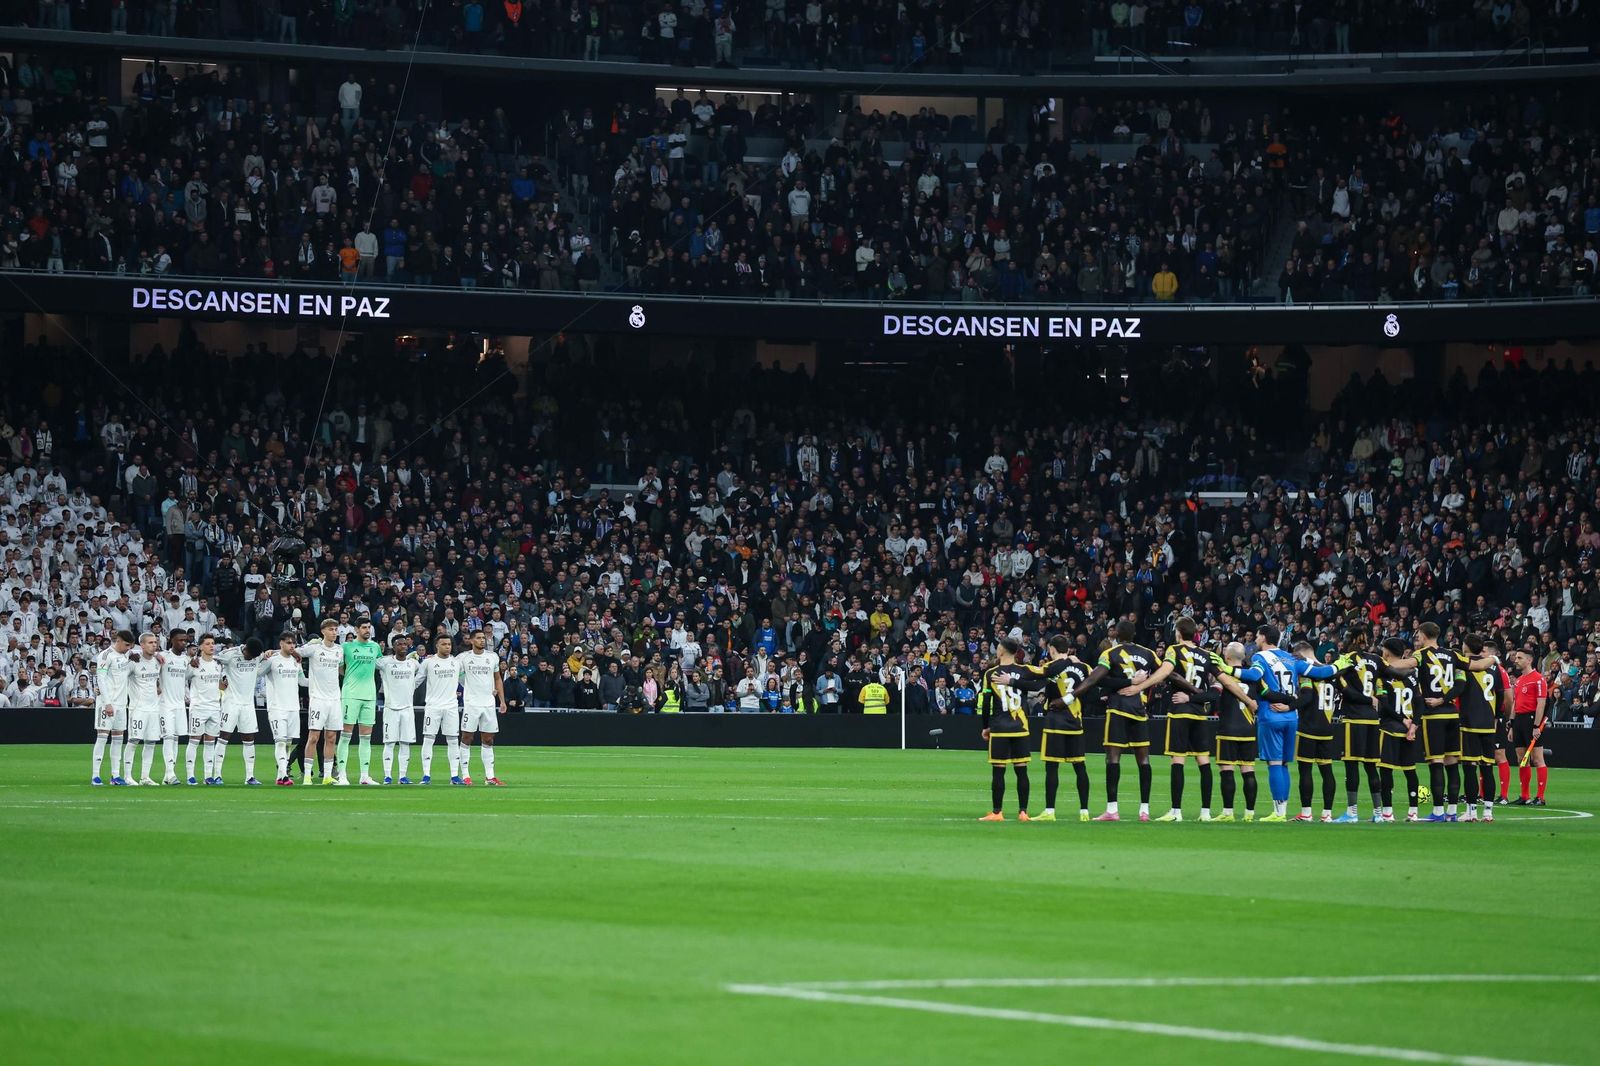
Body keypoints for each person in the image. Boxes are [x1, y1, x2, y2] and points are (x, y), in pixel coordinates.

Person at [1221, 624, 1339, 821]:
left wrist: (1225, 668)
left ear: (1265, 637)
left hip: (1271, 715)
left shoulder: (1260, 658)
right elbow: (1321, 673)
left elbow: (1253, 675)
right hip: (1291, 717)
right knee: (1283, 764)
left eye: (1258, 636)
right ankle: (1282, 810)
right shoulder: (1291, 657)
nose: (1256, 639)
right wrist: (1339, 665)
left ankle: (1278, 812)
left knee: (1274, 764)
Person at [1074, 620, 1158, 821]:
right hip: (1138, 708)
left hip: (1118, 708)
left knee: (1113, 758)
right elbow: (1164, 673)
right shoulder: (1148, 653)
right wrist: (1141, 684)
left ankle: (1112, 810)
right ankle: (1144, 810)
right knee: (1144, 759)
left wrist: (1125, 682)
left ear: (1117, 634)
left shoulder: (1109, 653)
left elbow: (1098, 679)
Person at [1155, 617, 1215, 822]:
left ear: (1179, 632)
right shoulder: (1206, 655)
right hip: (1199, 713)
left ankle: (1176, 811)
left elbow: (1169, 672)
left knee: (1178, 760)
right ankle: (1206, 812)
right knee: (1203, 760)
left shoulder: (1174, 650)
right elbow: (1213, 685)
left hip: (1180, 710)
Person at [978, 637, 1034, 821]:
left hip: (1000, 727)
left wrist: (985, 727)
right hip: (1021, 727)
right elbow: (1040, 683)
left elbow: (986, 703)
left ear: (1001, 651)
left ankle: (997, 812)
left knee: (998, 770)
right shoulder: (1024, 671)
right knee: (1021, 770)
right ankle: (1023, 812)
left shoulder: (990, 673)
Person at [1333, 624, 1385, 822]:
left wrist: (1367, 699)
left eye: (1347, 637)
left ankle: (1352, 813)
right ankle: (1378, 814)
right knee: (1371, 767)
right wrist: (1376, 699)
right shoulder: (1376, 659)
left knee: (1352, 766)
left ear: (1353, 639)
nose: (1343, 640)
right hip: (1373, 719)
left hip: (1354, 718)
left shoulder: (1346, 660)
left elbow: (1345, 689)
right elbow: (1384, 685)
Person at [1036, 634, 1090, 822]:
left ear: (1051, 649)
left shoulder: (1050, 667)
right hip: (1075, 721)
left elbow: (1036, 678)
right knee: (1080, 767)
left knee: (1052, 767)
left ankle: (1049, 811)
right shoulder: (1083, 667)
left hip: (1055, 721)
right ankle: (1084, 811)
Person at [1456, 633, 1503, 822]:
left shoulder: (1464, 665)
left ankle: (1471, 812)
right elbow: (1500, 695)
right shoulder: (1493, 668)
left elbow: (1458, 689)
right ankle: (1489, 812)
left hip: (1469, 723)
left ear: (1466, 647)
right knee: (1487, 768)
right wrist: (1497, 716)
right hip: (1488, 723)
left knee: (1469, 767)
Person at [1375, 637, 1423, 823]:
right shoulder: (1412, 674)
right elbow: (1419, 703)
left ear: (1386, 652)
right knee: (1410, 771)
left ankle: (1388, 812)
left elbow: (1384, 705)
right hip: (1409, 730)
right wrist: (1414, 725)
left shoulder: (1383, 674)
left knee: (1386, 771)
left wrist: (1402, 720)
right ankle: (1413, 812)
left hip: (1390, 728)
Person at [1291, 641, 1340, 822]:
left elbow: (1307, 697)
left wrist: (1289, 705)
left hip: (1309, 727)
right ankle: (1327, 814)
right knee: (1326, 770)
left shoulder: (1307, 673)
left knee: (1305, 771)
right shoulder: (1330, 671)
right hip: (1327, 727)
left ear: (1302, 654)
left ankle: (1306, 813)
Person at [1212, 642, 1261, 821]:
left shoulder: (1223, 675)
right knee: (1248, 770)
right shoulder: (1253, 676)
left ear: (1228, 657)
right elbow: (1265, 695)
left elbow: (1214, 695)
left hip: (1229, 728)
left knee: (1227, 770)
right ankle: (1249, 814)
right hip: (1248, 729)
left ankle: (1228, 813)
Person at [336, 616, 383, 786]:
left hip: (370, 696)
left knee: (366, 737)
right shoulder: (346, 647)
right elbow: (340, 668)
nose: (367, 630)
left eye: (369, 627)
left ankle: (364, 776)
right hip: (351, 694)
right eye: (364, 627)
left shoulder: (375, 647)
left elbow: (380, 665)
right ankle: (342, 775)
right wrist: (351, 678)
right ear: (356, 630)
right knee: (346, 735)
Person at [457, 628, 507, 786]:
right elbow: (454, 673)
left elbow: (497, 679)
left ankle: (490, 777)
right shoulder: (464, 658)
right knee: (467, 737)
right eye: (478, 638)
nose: (482, 640)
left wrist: (502, 700)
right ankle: (465, 775)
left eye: (483, 638)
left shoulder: (492, 657)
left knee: (488, 739)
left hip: (488, 704)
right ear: (471, 641)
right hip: (471, 704)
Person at [298, 619, 344, 785]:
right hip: (318, 699)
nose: (334, 632)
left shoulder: (339, 650)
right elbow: (295, 652)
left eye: (336, 630)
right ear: (323, 631)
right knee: (314, 737)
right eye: (331, 629)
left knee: (331, 737)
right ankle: (308, 776)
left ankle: (327, 776)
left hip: (334, 700)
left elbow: (341, 669)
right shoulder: (314, 648)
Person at [214, 637, 265, 785]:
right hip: (231, 703)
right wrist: (221, 678)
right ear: (245, 649)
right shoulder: (230, 654)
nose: (251, 659)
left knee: (249, 739)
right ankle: (217, 775)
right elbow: (213, 660)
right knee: (224, 737)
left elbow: (270, 653)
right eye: (250, 656)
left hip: (248, 705)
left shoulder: (257, 655)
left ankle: (250, 776)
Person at [259, 632, 305, 785]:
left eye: (294, 643)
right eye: (288, 642)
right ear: (281, 644)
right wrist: (262, 656)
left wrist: (322, 681)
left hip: (293, 707)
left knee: (288, 743)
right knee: (280, 741)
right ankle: (285, 775)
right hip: (277, 707)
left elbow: (303, 681)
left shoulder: (295, 661)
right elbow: (258, 672)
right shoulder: (272, 660)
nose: (292, 645)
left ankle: (280, 776)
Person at [91, 630, 134, 785]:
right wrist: (107, 702)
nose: (129, 648)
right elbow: (100, 678)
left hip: (122, 704)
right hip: (107, 704)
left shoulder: (126, 655)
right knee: (102, 738)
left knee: (118, 740)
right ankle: (95, 775)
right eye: (127, 645)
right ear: (119, 641)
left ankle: (115, 776)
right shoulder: (105, 655)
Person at [378, 634, 422, 784]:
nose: (403, 646)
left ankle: (402, 776)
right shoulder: (385, 663)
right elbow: (370, 661)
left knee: (405, 742)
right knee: (389, 743)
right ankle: (387, 776)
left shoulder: (413, 664)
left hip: (408, 709)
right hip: (391, 708)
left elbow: (421, 675)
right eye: (399, 644)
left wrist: (412, 686)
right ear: (394, 646)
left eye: (405, 644)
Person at [420, 634, 464, 784]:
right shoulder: (428, 662)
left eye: (449, 644)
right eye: (444, 644)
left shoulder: (456, 663)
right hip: (433, 706)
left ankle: (454, 776)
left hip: (451, 706)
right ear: (437, 646)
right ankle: (426, 775)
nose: (447, 646)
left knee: (452, 740)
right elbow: (417, 680)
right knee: (428, 739)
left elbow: (465, 681)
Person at [1509, 645, 1549, 806]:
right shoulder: (1519, 680)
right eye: (1516, 658)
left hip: (1531, 720)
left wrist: (1536, 726)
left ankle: (1540, 797)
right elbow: (1514, 703)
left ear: (1529, 660)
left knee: (1537, 759)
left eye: (1519, 658)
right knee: (1521, 759)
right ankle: (1524, 796)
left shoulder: (1538, 679)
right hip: (1518, 720)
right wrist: (1511, 724)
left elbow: (1541, 704)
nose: (1516, 660)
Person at [124, 632, 164, 786]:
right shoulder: (133, 661)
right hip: (138, 708)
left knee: (151, 742)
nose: (154, 645)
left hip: (154, 708)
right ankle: (127, 776)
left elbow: (155, 681)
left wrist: (158, 687)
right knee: (133, 740)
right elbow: (120, 676)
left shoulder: (157, 661)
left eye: (155, 642)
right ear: (141, 645)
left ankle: (145, 777)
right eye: (150, 642)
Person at [185, 633, 226, 784]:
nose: (211, 646)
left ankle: (208, 776)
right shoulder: (194, 664)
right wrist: (186, 696)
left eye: (213, 643)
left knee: (210, 742)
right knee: (194, 741)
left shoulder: (218, 664)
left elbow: (220, 684)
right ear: (201, 646)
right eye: (208, 643)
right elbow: (182, 680)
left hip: (215, 707)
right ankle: (190, 775)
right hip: (198, 708)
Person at [157, 631, 191, 784]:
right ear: (172, 640)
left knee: (176, 739)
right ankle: (171, 774)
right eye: (180, 640)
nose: (183, 643)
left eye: (185, 640)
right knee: (168, 738)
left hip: (179, 705)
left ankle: (167, 775)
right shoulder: (163, 656)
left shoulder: (186, 660)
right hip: (165, 704)